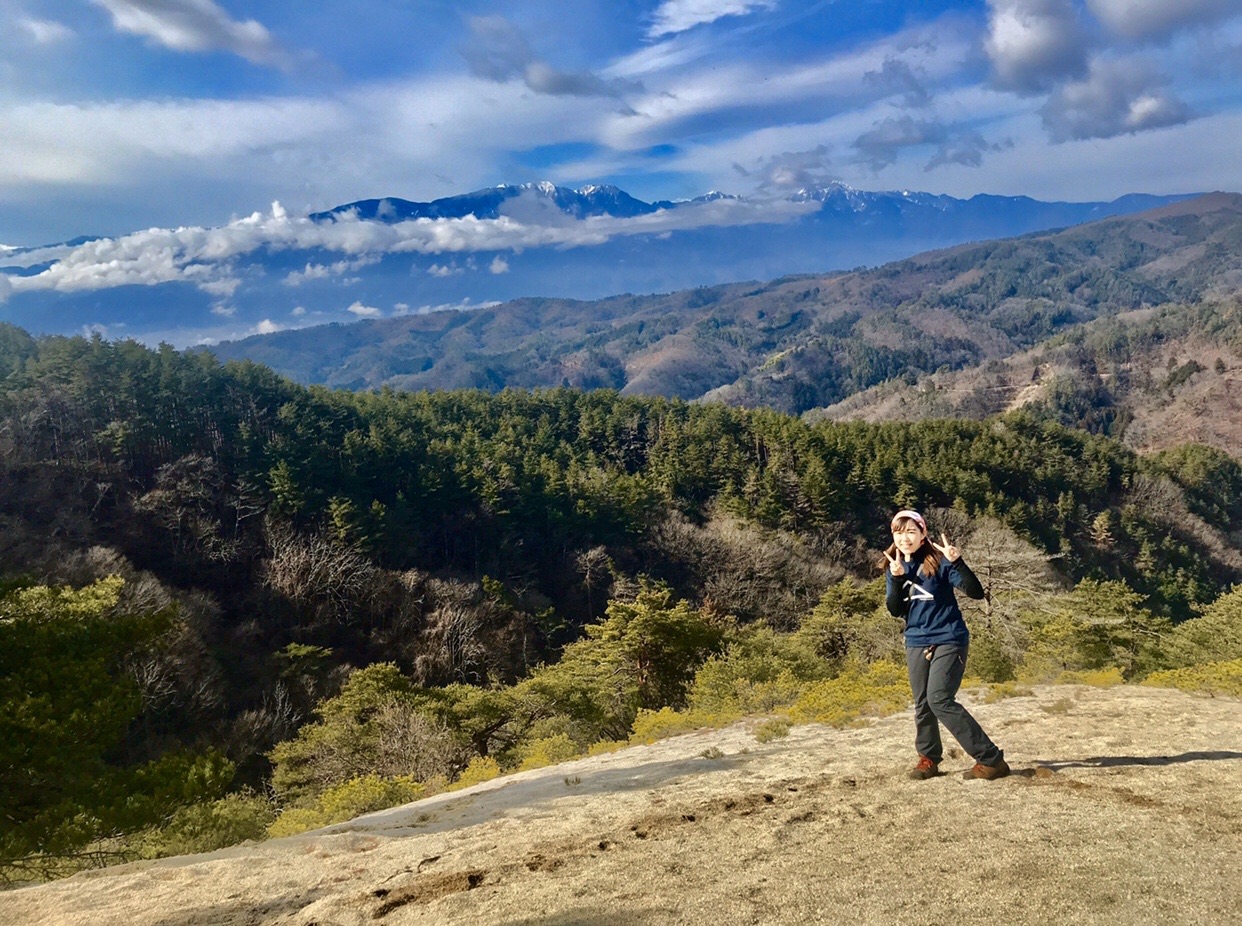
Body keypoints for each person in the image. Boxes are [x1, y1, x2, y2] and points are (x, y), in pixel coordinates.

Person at [883, 509, 1009, 781]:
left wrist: (958, 561)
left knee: (939, 698)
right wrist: (895, 578)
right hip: (916, 639)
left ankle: (991, 759)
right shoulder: (895, 566)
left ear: (922, 534)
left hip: (949, 637)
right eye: (899, 532)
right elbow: (895, 609)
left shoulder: (940, 562)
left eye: (911, 532)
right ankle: (928, 759)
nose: (905, 538)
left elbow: (975, 593)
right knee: (923, 703)